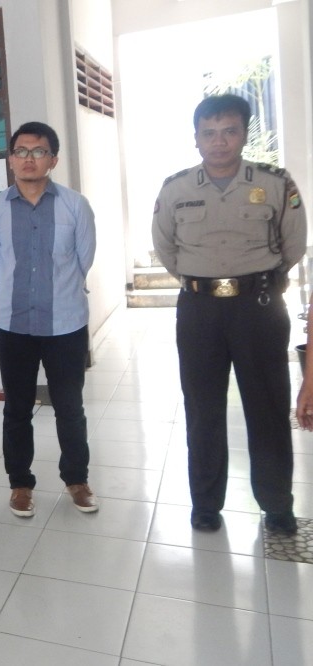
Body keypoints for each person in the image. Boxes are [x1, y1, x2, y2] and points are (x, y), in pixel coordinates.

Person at [152, 94, 306, 534]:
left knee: (268, 407)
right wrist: (199, 280)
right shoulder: (176, 188)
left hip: (258, 306)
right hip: (199, 309)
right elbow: (165, 247)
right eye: (209, 133)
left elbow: (294, 244)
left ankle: (276, 503)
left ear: (243, 134)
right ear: (196, 138)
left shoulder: (275, 183)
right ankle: (205, 504)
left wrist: (262, 280)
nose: (219, 142)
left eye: (229, 131)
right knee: (203, 408)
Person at [0, 122, 98, 518]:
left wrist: (57, 291)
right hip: (14, 325)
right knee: (17, 409)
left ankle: (77, 480)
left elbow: (83, 260)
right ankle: (20, 483)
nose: (29, 159)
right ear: (10, 159)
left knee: (70, 407)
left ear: (53, 160)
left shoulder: (75, 205)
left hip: (66, 324)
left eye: (39, 151)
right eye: (21, 151)